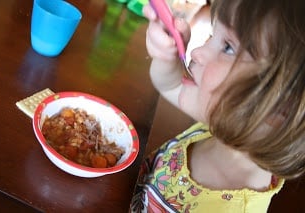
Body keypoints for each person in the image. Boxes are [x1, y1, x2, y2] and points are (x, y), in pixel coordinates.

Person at [130, 0, 305, 212]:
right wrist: (167, 59)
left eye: (228, 48)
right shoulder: (218, 126)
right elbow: (172, 85)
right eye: (213, 35)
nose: (197, 52)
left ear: (279, 109)